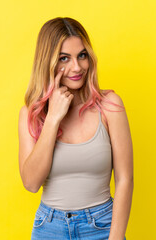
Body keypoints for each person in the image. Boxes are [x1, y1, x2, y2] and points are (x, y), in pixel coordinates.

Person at [18, 17, 133, 240]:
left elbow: (125, 178)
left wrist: (117, 237)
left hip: (101, 225)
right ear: (48, 62)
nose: (77, 67)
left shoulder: (109, 105)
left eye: (82, 55)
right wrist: (52, 119)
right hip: (49, 228)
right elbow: (31, 183)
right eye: (64, 58)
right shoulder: (31, 114)